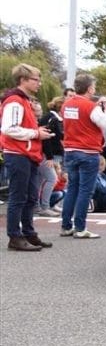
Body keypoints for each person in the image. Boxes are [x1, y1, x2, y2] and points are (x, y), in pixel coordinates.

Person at [1, 63, 54, 251]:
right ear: (23, 80)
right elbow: (9, 128)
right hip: (18, 154)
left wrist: (36, 131)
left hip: (27, 154)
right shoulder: (15, 101)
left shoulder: (24, 101)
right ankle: (15, 236)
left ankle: (29, 233)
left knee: (31, 197)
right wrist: (36, 134)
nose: (39, 83)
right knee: (18, 197)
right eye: (35, 79)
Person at [60, 73, 106, 239]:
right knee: (85, 191)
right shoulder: (90, 107)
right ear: (90, 89)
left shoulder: (66, 105)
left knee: (72, 189)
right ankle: (80, 227)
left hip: (70, 150)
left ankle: (66, 226)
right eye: (94, 87)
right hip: (88, 151)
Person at [37, 96, 64, 216]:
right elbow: (46, 138)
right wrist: (49, 156)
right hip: (46, 153)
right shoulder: (51, 118)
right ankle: (44, 206)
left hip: (49, 153)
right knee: (51, 178)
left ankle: (39, 205)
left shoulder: (54, 118)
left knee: (41, 180)